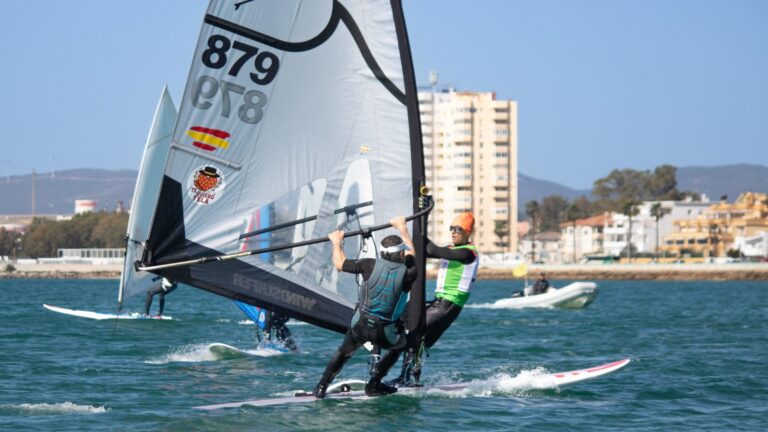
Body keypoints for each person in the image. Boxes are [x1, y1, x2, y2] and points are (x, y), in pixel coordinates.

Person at [313, 216, 417, 399]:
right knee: (401, 345)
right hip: (385, 332)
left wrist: (336, 242)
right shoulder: (410, 272)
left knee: (343, 352)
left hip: (359, 326)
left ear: (383, 253)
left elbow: (339, 264)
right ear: (401, 254)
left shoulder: (368, 264)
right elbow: (412, 254)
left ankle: (321, 387)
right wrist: (402, 228)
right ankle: (374, 384)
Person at [374, 212, 479, 387]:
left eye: (458, 229)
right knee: (405, 326)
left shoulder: (468, 253)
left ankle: (406, 378)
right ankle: (407, 377)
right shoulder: (453, 249)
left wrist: (405, 228)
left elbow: (430, 249)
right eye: (451, 228)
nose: (453, 232)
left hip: (448, 307)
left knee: (414, 334)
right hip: (438, 303)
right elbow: (424, 251)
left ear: (468, 232)